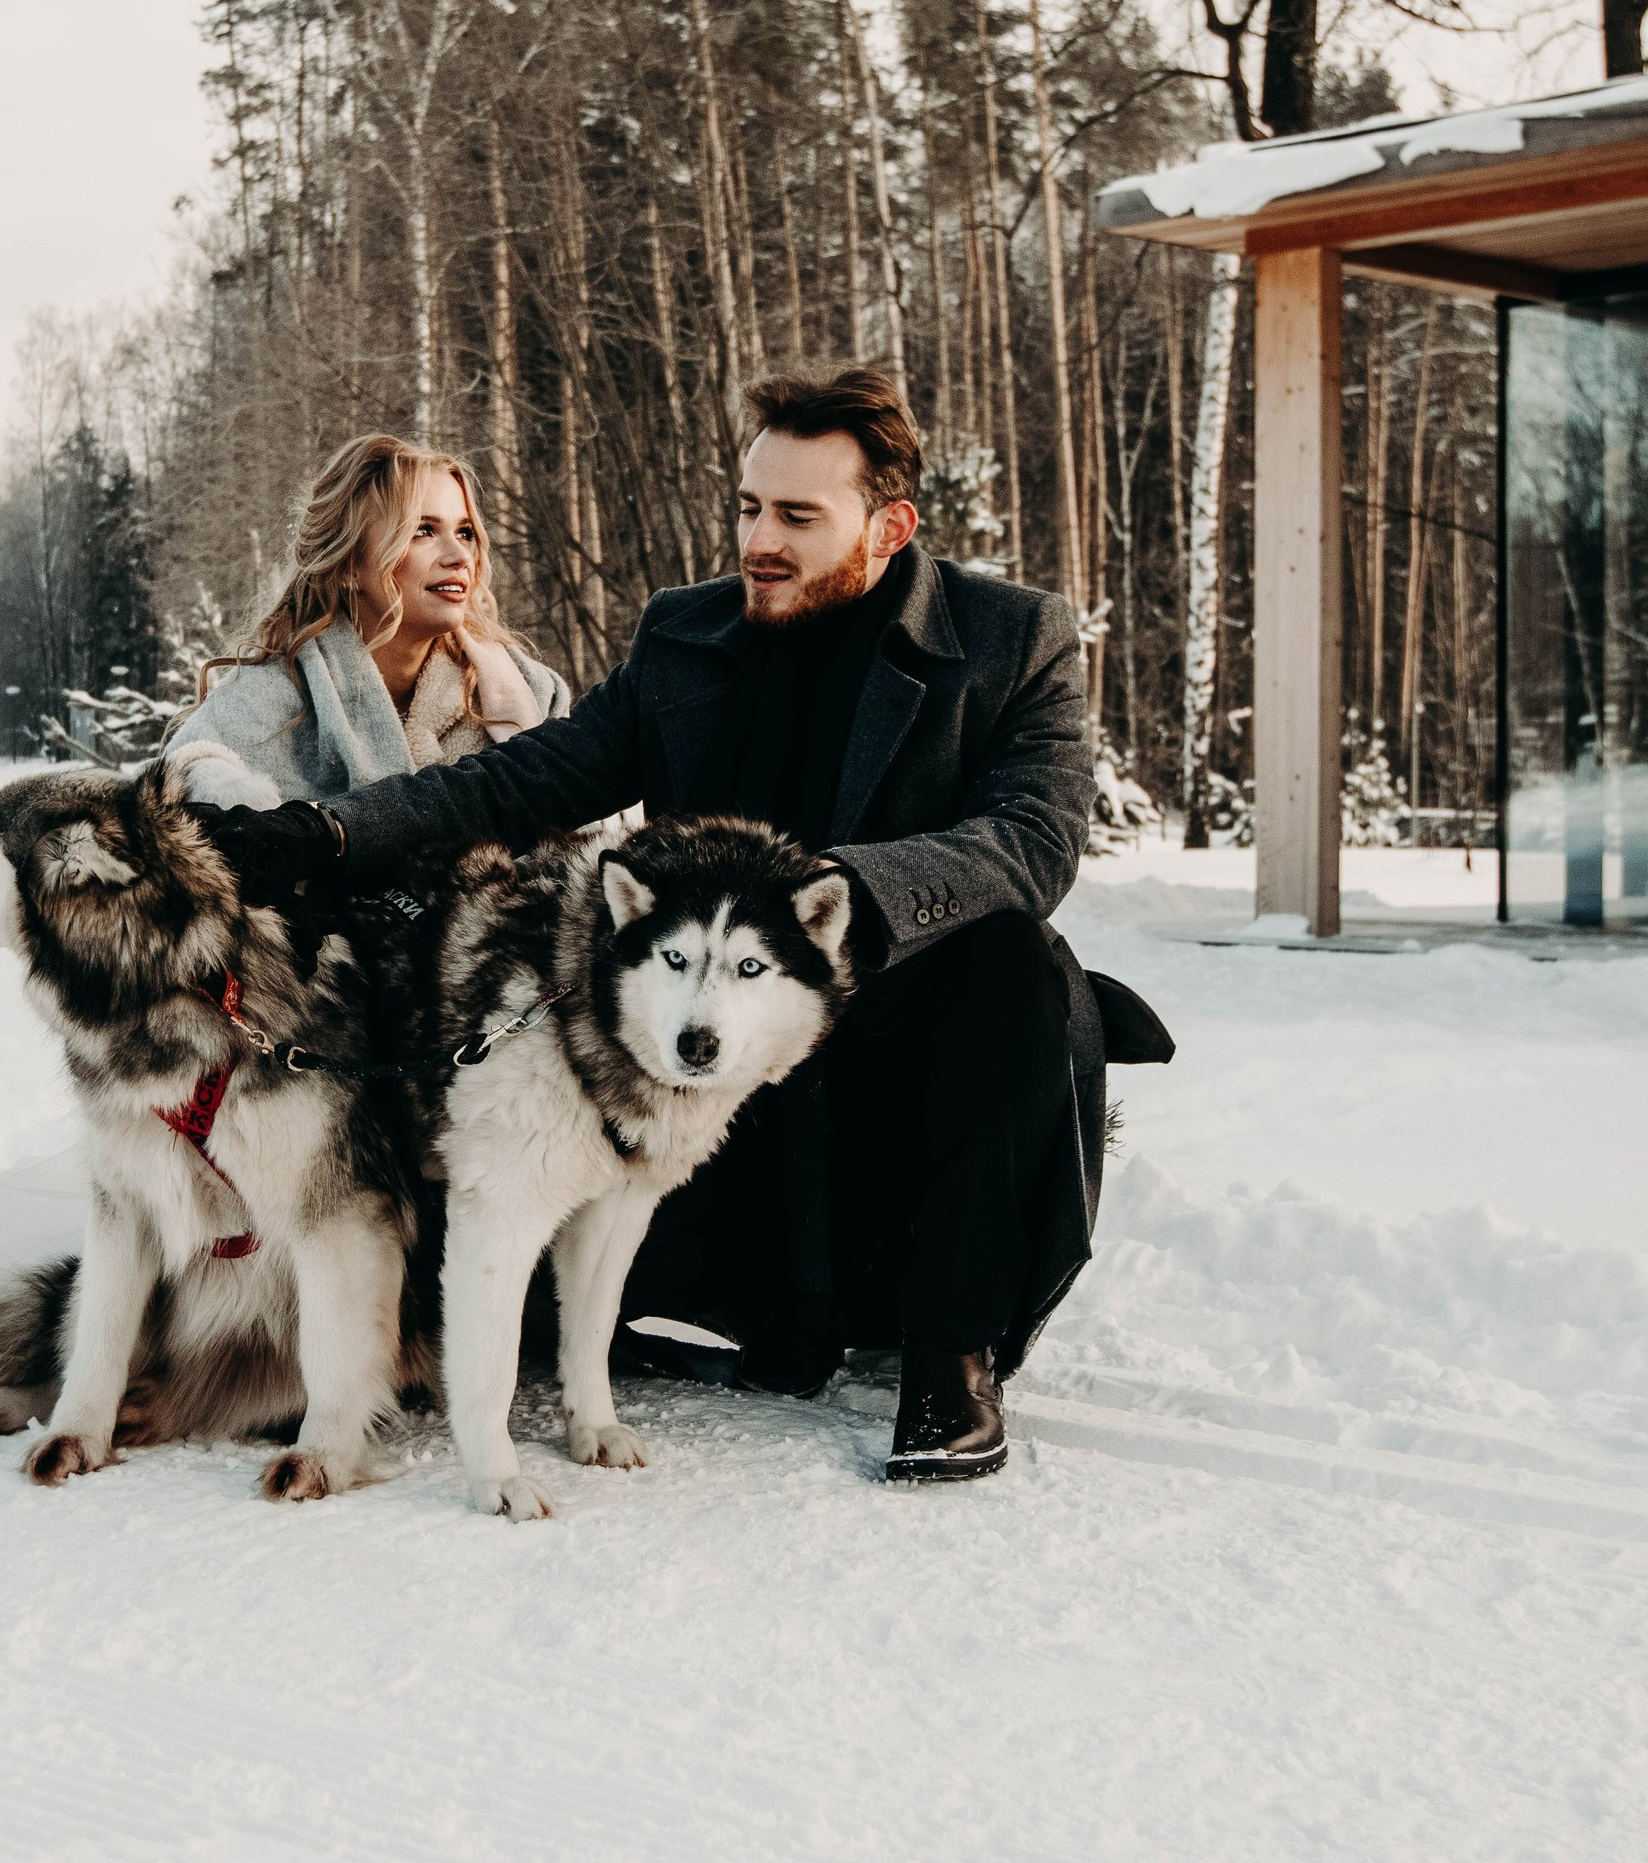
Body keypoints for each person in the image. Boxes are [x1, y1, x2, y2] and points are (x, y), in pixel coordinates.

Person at [194, 364, 1140, 1484]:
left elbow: (1033, 839)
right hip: (688, 1055)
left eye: (797, 515)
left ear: (889, 525)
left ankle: (949, 1350)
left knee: (1016, 959)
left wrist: (832, 898)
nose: (759, 539)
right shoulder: (690, 636)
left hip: (895, 1027)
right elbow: (523, 779)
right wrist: (327, 831)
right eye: (748, 507)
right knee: (512, 1230)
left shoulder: (1009, 638)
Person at [165, 435, 569, 809]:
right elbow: (169, 792)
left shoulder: (531, 695)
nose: (460, 556)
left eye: (465, 533)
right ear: (349, 565)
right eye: (423, 531)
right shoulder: (259, 704)